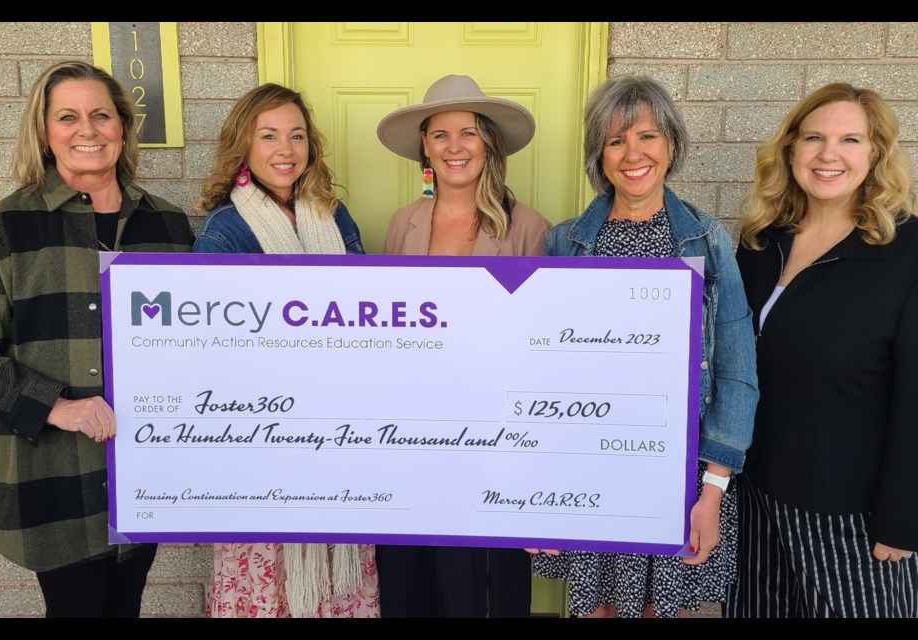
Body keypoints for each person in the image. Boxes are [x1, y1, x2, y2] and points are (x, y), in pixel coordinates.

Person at [0, 60, 194, 618]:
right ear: (44, 132)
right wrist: (57, 407)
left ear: (122, 127)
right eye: (67, 116)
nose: (87, 130)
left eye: (100, 115)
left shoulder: (168, 226)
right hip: (53, 474)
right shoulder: (1, 226)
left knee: (126, 607)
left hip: (144, 468)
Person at [528, 75, 759, 618]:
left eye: (648, 136)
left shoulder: (706, 241)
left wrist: (713, 490)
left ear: (671, 144)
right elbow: (537, 374)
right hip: (587, 474)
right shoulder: (565, 244)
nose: (633, 154)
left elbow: (736, 368)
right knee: (598, 609)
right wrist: (534, 496)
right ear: (599, 156)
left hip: (678, 476)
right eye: (615, 141)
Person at [724, 83, 918, 618]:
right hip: (755, 494)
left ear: (876, 154)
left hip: (850, 511)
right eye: (814, 138)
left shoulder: (906, 253)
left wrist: (904, 517)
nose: (829, 154)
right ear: (790, 150)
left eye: (850, 139)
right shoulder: (762, 242)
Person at [193, 83, 377, 618]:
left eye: (297, 136)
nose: (285, 149)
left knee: (338, 573)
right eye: (269, 135)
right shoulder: (225, 230)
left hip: (340, 427)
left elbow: (367, 313)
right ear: (242, 147)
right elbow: (217, 347)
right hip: (263, 436)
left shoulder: (333, 216)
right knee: (269, 584)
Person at [375, 74, 552, 617]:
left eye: (469, 133)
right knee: (414, 586)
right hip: (412, 441)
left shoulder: (528, 228)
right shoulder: (402, 225)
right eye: (441, 134)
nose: (456, 147)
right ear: (424, 146)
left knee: (484, 591)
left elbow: (544, 351)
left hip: (496, 446)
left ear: (488, 144)